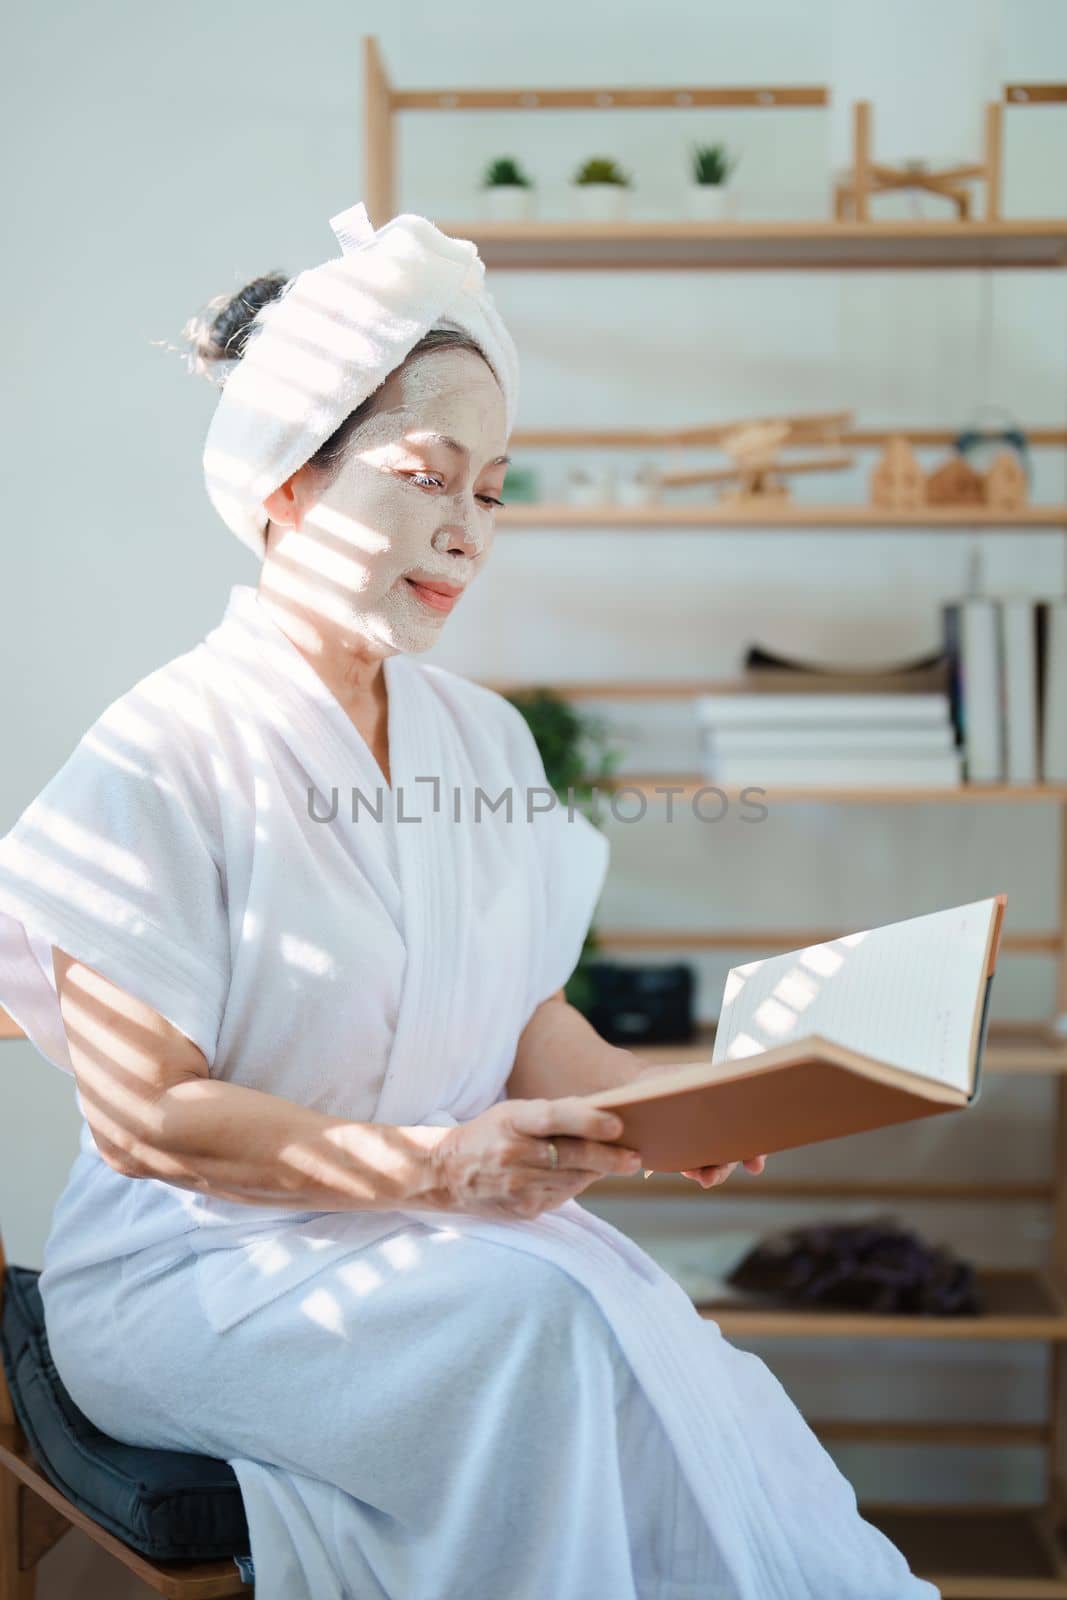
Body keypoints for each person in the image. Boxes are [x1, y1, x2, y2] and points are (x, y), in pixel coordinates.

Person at [0, 201, 937, 1600]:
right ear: (287, 484)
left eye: (493, 491)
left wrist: (663, 1109)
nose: (465, 531)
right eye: (430, 477)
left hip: (436, 1239)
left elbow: (522, 1010)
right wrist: (439, 1168)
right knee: (549, 1319)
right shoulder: (161, 751)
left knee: (634, 1322)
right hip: (193, 1274)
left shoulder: (482, 743)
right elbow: (150, 1118)